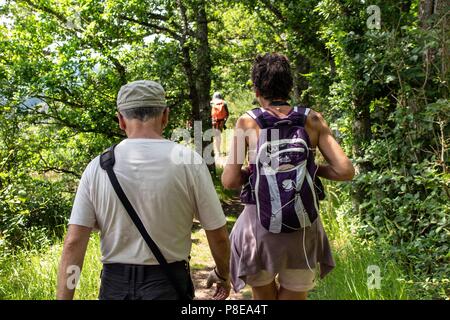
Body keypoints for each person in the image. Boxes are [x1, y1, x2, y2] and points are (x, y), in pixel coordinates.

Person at [56, 80, 231, 300]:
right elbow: (218, 235)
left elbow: (74, 243)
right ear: (165, 116)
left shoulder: (97, 168)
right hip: (169, 284)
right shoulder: (190, 162)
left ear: (120, 120)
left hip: (115, 286)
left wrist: (65, 296)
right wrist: (223, 274)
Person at [222, 53, 355, 300]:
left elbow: (229, 181)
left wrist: (256, 170)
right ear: (289, 86)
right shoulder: (312, 119)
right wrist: (310, 168)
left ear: (256, 89)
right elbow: (345, 171)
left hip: (258, 227)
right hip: (302, 227)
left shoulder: (247, 122)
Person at [210, 92, 229, 156]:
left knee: (211, 136)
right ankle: (218, 151)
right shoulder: (224, 103)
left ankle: (211, 151)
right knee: (218, 136)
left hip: (213, 122)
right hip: (221, 122)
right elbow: (227, 114)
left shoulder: (211, 103)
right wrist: (223, 123)